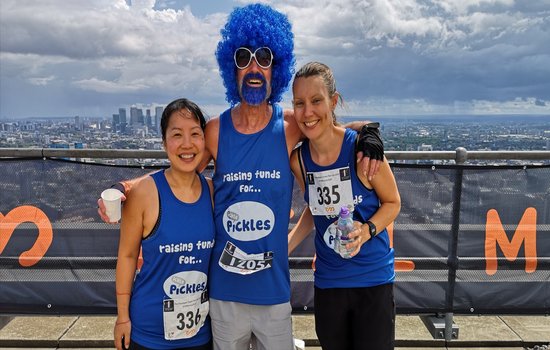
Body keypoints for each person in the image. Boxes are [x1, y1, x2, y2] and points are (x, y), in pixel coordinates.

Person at [100, 4, 385, 350]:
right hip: (225, 292)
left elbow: (327, 125)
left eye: (264, 57)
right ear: (230, 69)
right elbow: (181, 166)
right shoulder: (217, 131)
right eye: (243, 57)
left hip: (274, 290)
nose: (254, 67)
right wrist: (124, 187)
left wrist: (368, 132)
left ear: (275, 68)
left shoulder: (291, 125)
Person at [287, 62, 401, 350]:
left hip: (372, 280)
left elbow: (393, 202)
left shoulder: (362, 152)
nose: (307, 112)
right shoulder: (299, 161)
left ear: (333, 101)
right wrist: (285, 246)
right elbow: (316, 209)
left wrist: (367, 230)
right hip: (329, 282)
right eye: (299, 103)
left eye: (316, 101)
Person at [114, 98, 215, 350]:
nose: (187, 144)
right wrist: (122, 317)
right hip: (149, 333)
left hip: (200, 332)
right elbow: (127, 256)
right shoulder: (145, 193)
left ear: (205, 141)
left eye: (195, 134)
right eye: (177, 134)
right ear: (164, 142)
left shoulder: (213, 192)